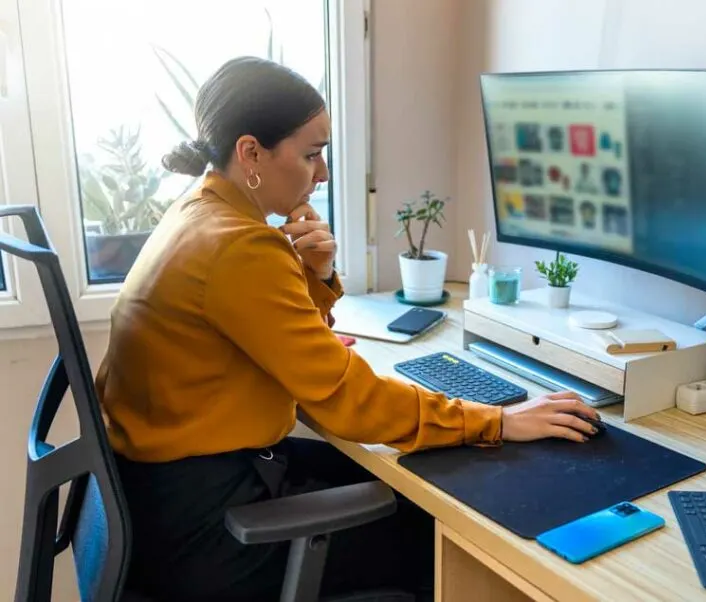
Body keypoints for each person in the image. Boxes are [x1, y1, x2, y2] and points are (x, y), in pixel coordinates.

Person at [96, 56, 600, 602]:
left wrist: (316, 276)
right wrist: (497, 420)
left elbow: (282, 348)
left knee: (413, 483)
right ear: (251, 153)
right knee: (443, 533)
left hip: (162, 501)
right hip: (212, 529)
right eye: (312, 154)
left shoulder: (199, 213)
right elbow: (347, 400)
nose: (324, 174)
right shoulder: (240, 246)